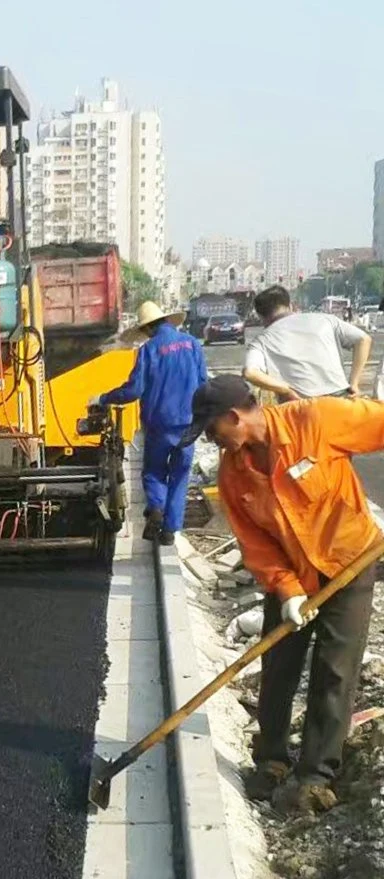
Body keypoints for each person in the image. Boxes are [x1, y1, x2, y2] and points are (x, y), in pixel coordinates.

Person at [181, 374, 384, 816]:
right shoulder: (234, 474)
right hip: (293, 575)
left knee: (335, 671)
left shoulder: (318, 420)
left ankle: (315, 776)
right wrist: (288, 590)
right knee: (278, 665)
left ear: (235, 417)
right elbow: (255, 542)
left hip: (349, 563)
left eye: (214, 432)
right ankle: (271, 760)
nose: (215, 443)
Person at [90, 301, 208, 545]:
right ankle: (169, 531)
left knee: (154, 472)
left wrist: (104, 398)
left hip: (159, 423)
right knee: (180, 474)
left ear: (147, 329)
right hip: (188, 423)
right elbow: (204, 383)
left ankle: (156, 507)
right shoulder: (192, 344)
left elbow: (134, 389)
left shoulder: (149, 350)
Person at [243, 285, 371, 401]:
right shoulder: (325, 320)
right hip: (339, 400)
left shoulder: (262, 340)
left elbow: (250, 373)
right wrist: (354, 383)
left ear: (261, 317)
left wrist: (285, 389)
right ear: (290, 305)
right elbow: (363, 339)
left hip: (299, 406)